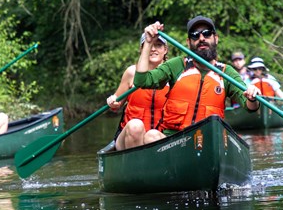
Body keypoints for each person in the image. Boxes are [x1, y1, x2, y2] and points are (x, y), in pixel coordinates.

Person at [134, 16, 262, 144]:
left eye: (207, 33)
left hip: (207, 142)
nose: (201, 38)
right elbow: (141, 81)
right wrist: (148, 43)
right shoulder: (177, 65)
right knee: (151, 135)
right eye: (195, 35)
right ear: (189, 42)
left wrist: (252, 97)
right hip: (174, 141)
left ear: (215, 39)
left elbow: (250, 107)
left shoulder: (226, 73)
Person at [106, 33, 170, 150]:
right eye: (149, 45)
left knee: (153, 135)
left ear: (165, 50)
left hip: (158, 138)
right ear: (142, 49)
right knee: (136, 126)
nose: (153, 49)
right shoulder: (132, 72)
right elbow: (116, 105)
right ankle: (135, 165)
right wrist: (112, 101)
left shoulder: (173, 75)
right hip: (129, 136)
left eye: (158, 45)